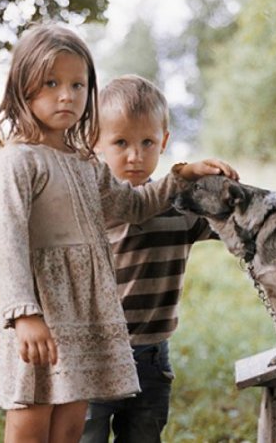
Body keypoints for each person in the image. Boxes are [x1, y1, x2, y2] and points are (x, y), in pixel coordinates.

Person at [0, 23, 237, 443]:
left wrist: (183, 175)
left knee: (71, 419)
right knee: (32, 414)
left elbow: (134, 205)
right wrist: (24, 313)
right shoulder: (20, 160)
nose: (66, 95)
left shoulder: (86, 163)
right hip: (42, 308)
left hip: (85, 311)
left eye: (77, 84)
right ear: (22, 88)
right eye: (51, 83)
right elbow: (8, 240)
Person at [79, 74, 213, 443]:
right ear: (96, 143)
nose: (135, 156)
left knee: (143, 436)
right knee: (86, 436)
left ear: (164, 142)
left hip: (152, 355)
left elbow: (241, 222)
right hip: (96, 352)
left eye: (147, 142)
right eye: (120, 142)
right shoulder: (96, 205)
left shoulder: (182, 208)